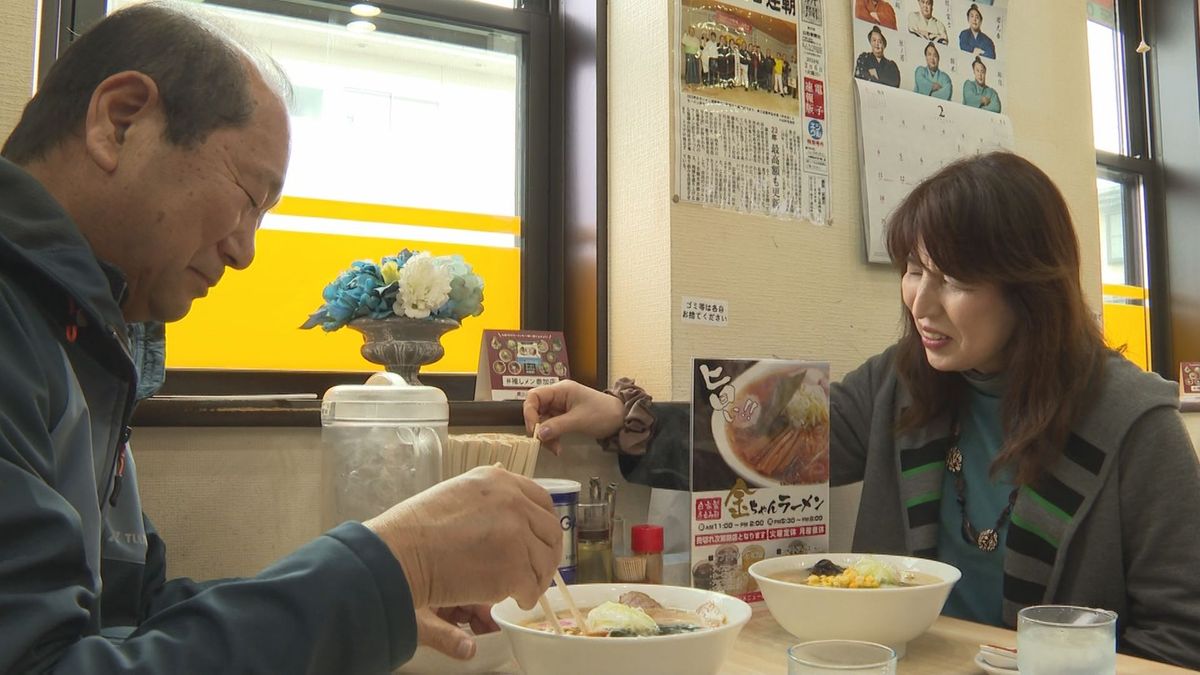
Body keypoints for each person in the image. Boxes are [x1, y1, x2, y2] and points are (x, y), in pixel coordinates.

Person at [0, 3, 562, 673]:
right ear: (120, 120)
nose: (244, 253)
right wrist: (396, 557)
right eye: (247, 198)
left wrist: (379, 594)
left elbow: (136, 619)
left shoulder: (84, 342)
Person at [523, 152, 1200, 669]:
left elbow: (1181, 633)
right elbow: (755, 438)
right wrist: (618, 416)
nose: (920, 302)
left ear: (1032, 288)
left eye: (954, 280)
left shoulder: (1136, 426)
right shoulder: (899, 384)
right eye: (913, 267)